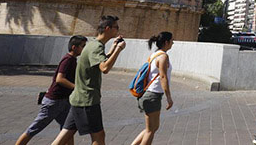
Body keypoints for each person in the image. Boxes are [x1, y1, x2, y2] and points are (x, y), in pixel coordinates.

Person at [50, 15, 127, 145]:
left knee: (64, 136)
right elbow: (105, 67)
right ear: (108, 28)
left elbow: (99, 61)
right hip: (88, 100)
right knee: (98, 136)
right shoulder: (96, 47)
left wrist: (113, 48)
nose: (117, 30)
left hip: (78, 98)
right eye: (116, 27)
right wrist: (119, 49)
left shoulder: (92, 44)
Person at [15, 35, 87, 145]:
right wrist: (76, 87)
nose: (84, 48)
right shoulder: (68, 60)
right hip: (54, 101)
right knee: (34, 128)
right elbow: (60, 79)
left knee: (67, 130)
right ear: (74, 47)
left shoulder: (72, 60)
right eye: (83, 46)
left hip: (63, 101)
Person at [130, 31, 174, 145]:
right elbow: (163, 77)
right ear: (166, 42)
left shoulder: (155, 54)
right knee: (150, 130)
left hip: (149, 95)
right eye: (171, 41)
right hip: (153, 96)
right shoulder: (163, 56)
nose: (173, 43)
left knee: (152, 128)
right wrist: (169, 97)